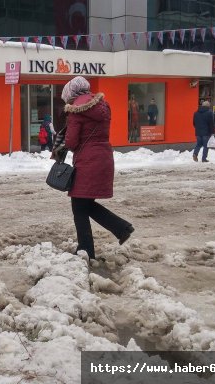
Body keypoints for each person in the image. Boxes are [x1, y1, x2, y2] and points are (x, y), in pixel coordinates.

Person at [52, 76, 134, 262]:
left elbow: (72, 142)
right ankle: (121, 229)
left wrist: (62, 142)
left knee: (79, 205)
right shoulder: (103, 106)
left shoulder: (76, 112)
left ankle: (87, 249)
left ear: (72, 94)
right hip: (104, 157)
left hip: (88, 160)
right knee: (84, 204)